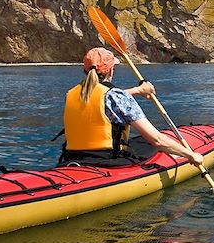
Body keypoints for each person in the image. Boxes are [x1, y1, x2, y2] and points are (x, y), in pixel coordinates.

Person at [60, 47, 204, 167]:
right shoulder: (115, 97)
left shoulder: (71, 94)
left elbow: (103, 99)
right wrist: (191, 155)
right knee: (148, 144)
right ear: (111, 70)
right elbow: (157, 140)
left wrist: (138, 90)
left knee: (137, 142)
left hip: (72, 157)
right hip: (107, 160)